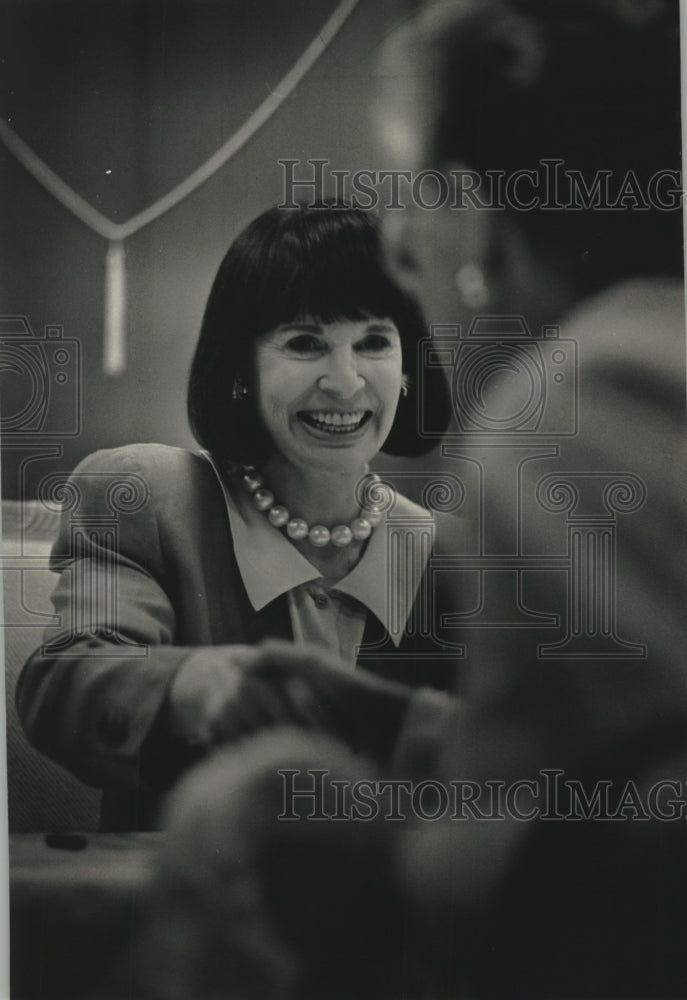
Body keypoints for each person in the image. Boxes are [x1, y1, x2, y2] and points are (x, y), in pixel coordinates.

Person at [136, 2, 687, 998]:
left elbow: (620, 868)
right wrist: (418, 734)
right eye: (303, 342)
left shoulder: (576, 403)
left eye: (418, 195)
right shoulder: (151, 499)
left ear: (474, 218)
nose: (401, 245)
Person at [16, 202, 458, 832]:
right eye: (306, 343)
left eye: (374, 342)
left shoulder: (454, 556)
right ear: (241, 371)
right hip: (194, 906)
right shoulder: (145, 496)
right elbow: (64, 682)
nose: (345, 382)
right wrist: (192, 685)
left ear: (408, 368)